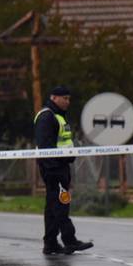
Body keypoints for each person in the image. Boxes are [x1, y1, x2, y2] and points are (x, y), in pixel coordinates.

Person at [34, 86, 94, 255]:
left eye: (69, 98)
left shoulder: (58, 116)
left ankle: (51, 243)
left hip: (61, 167)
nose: (68, 102)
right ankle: (70, 240)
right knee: (61, 204)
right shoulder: (47, 116)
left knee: (53, 205)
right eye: (64, 98)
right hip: (53, 168)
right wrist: (53, 169)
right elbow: (46, 147)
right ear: (54, 98)